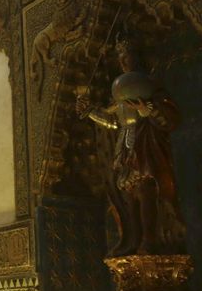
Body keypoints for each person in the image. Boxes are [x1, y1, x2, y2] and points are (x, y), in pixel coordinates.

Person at [75, 39, 186, 256]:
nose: (124, 62)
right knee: (129, 194)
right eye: (121, 59)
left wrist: (149, 111)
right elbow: (112, 120)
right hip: (126, 145)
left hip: (146, 143)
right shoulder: (121, 93)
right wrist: (89, 111)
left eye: (128, 57)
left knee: (145, 190)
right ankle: (133, 241)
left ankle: (150, 239)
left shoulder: (150, 87)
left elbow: (169, 118)